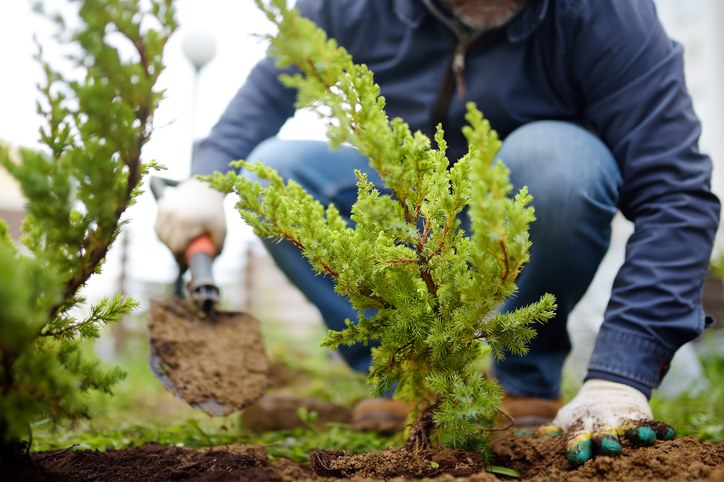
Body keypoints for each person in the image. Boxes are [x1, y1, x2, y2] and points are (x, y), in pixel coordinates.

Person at [155, 0, 721, 464]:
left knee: (558, 162)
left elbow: (675, 192)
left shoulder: (606, 15)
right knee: (270, 172)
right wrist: (207, 179)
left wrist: (620, 376)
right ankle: (408, 373)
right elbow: (267, 92)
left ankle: (526, 374)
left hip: (526, 207)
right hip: (412, 208)